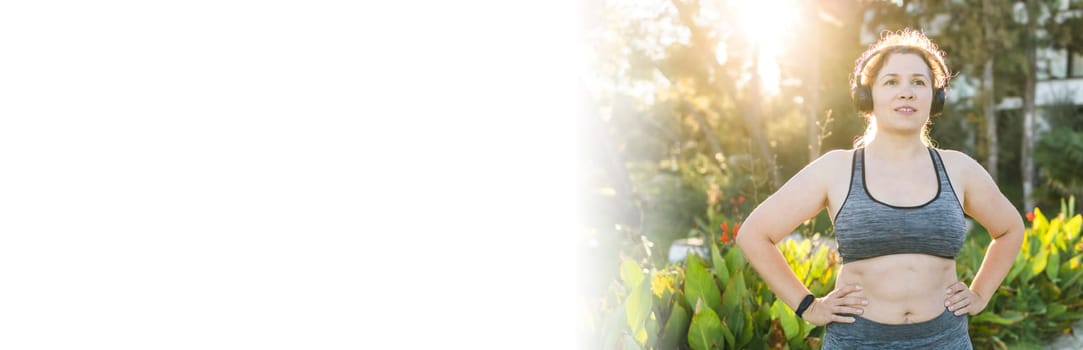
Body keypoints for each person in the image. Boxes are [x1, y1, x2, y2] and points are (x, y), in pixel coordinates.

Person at [735, 28, 1024, 349]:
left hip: (945, 340)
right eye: (891, 82)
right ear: (868, 95)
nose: (907, 92)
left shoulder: (959, 169)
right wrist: (808, 306)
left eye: (918, 82)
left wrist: (981, 293)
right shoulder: (837, 168)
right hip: (858, 341)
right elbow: (754, 234)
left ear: (935, 96)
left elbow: (1010, 229)